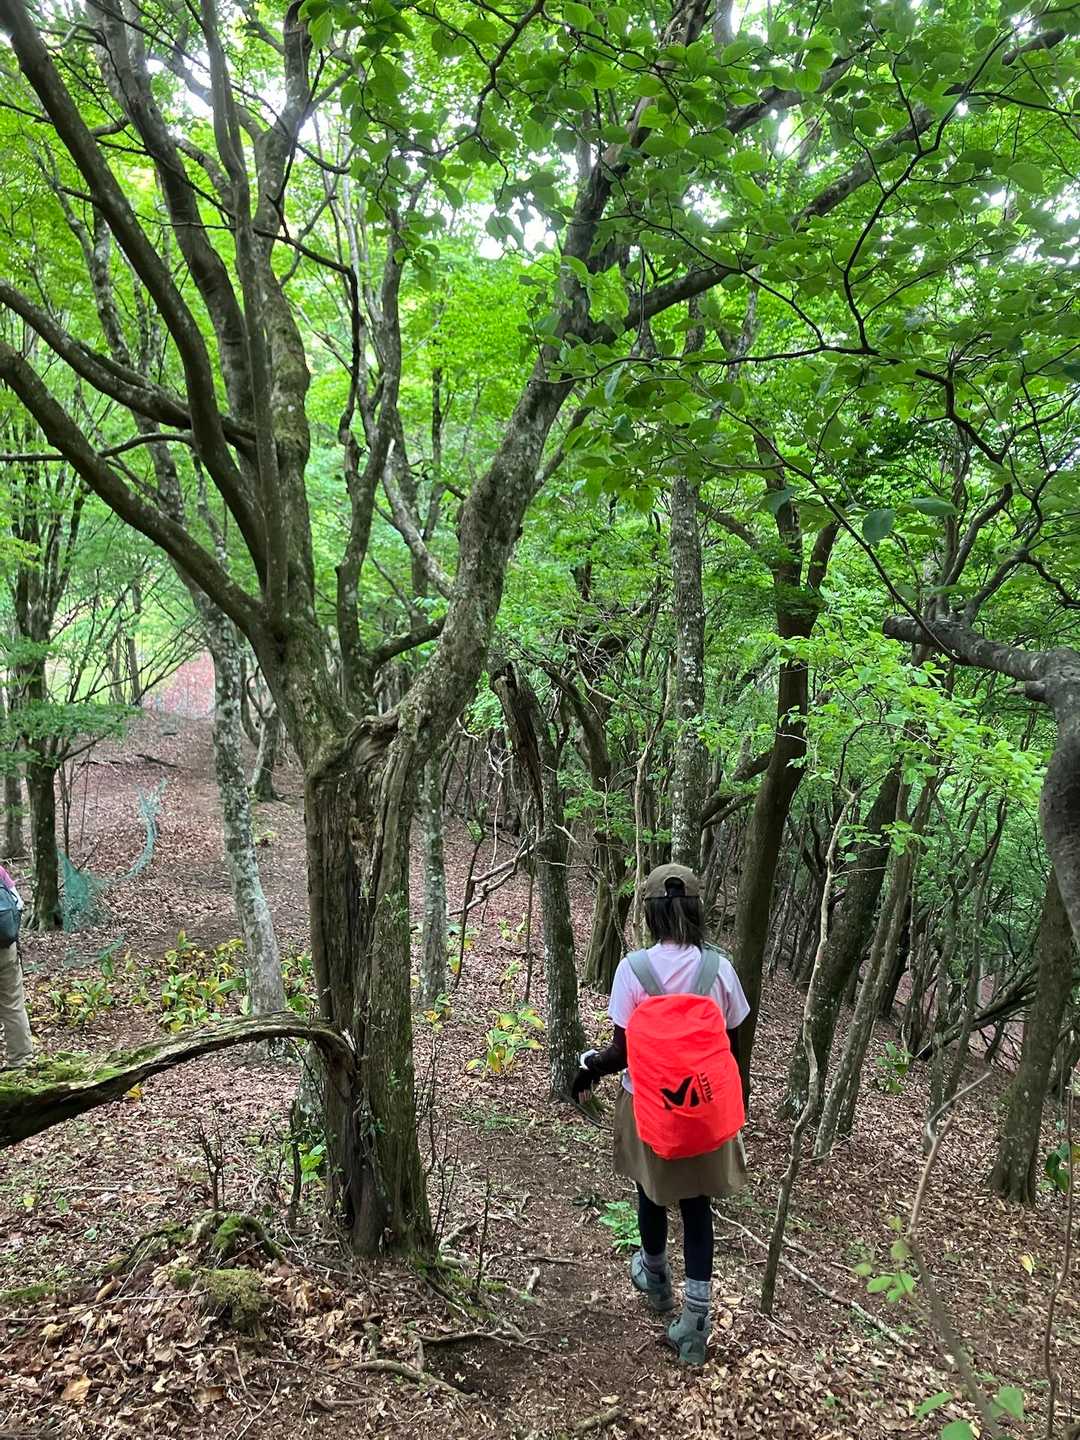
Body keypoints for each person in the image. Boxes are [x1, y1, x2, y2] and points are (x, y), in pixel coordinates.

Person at [573, 863, 749, 1366]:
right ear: (696, 908)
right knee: (697, 1206)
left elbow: (622, 1052)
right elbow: (731, 1046)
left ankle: (655, 1279)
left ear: (649, 912)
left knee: (650, 1192)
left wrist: (589, 1066)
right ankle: (695, 1325)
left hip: (649, 1104)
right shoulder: (719, 969)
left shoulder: (634, 969)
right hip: (704, 1106)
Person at [0, 861, 32, 1070]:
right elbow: (18, 904)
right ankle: (21, 1062)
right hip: (6, 949)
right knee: (13, 1006)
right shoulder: (0, 872)